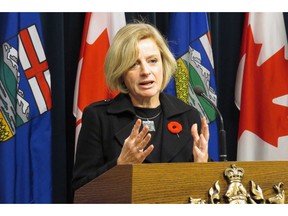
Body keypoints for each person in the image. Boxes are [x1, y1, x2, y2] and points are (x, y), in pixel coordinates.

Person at [72, 22, 210, 191]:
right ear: (120, 72)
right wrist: (120, 166)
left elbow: (206, 193)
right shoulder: (99, 117)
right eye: (134, 64)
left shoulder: (188, 116)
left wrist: (202, 168)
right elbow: (80, 191)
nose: (146, 71)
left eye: (152, 61)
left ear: (163, 64)